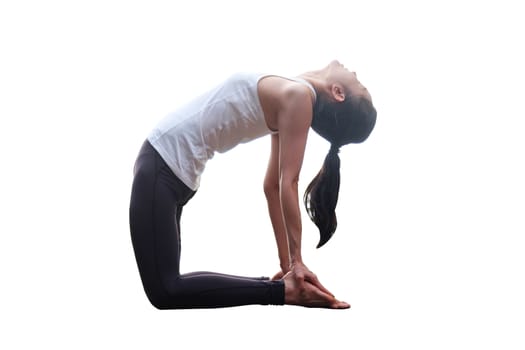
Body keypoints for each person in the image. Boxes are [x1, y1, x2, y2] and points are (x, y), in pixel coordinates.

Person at [129, 59, 377, 309]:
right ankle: (281, 292)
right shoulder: (294, 94)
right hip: (173, 172)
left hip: (162, 163)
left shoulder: (299, 97)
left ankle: (280, 293)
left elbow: (287, 183)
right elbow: (272, 188)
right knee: (166, 289)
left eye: (359, 83)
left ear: (338, 92)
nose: (354, 72)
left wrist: (297, 262)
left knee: (165, 291)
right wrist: (288, 266)